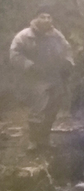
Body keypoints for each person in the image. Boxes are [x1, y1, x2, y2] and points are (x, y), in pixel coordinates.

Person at [9, 9, 74, 151]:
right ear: (35, 19)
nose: (47, 20)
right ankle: (33, 140)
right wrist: (30, 66)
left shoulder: (56, 35)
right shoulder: (24, 36)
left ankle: (45, 138)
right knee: (38, 109)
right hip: (35, 78)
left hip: (54, 76)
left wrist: (68, 63)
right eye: (42, 17)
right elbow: (15, 54)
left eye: (49, 17)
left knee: (53, 108)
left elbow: (67, 48)